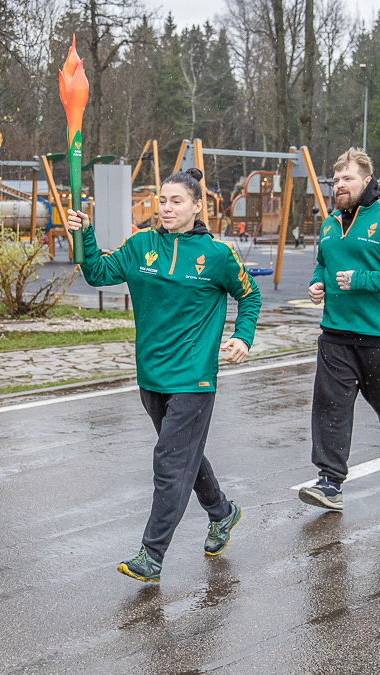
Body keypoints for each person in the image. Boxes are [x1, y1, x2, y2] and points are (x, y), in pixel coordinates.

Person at [66, 167, 262, 583]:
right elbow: (98, 273)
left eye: (177, 201)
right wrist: (83, 234)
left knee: (170, 462)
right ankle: (222, 512)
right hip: (151, 376)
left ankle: (151, 557)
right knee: (185, 455)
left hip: (194, 378)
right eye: (162, 200)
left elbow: (250, 295)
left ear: (197, 206)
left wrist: (243, 337)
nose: (167, 208)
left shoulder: (218, 256)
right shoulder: (141, 246)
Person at [298, 147, 380, 511]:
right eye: (336, 179)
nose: (339, 185)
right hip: (335, 331)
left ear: (367, 180)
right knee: (330, 406)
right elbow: (322, 264)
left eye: (347, 178)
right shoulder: (328, 224)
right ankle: (330, 482)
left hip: (379, 333)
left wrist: (361, 280)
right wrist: (316, 283)